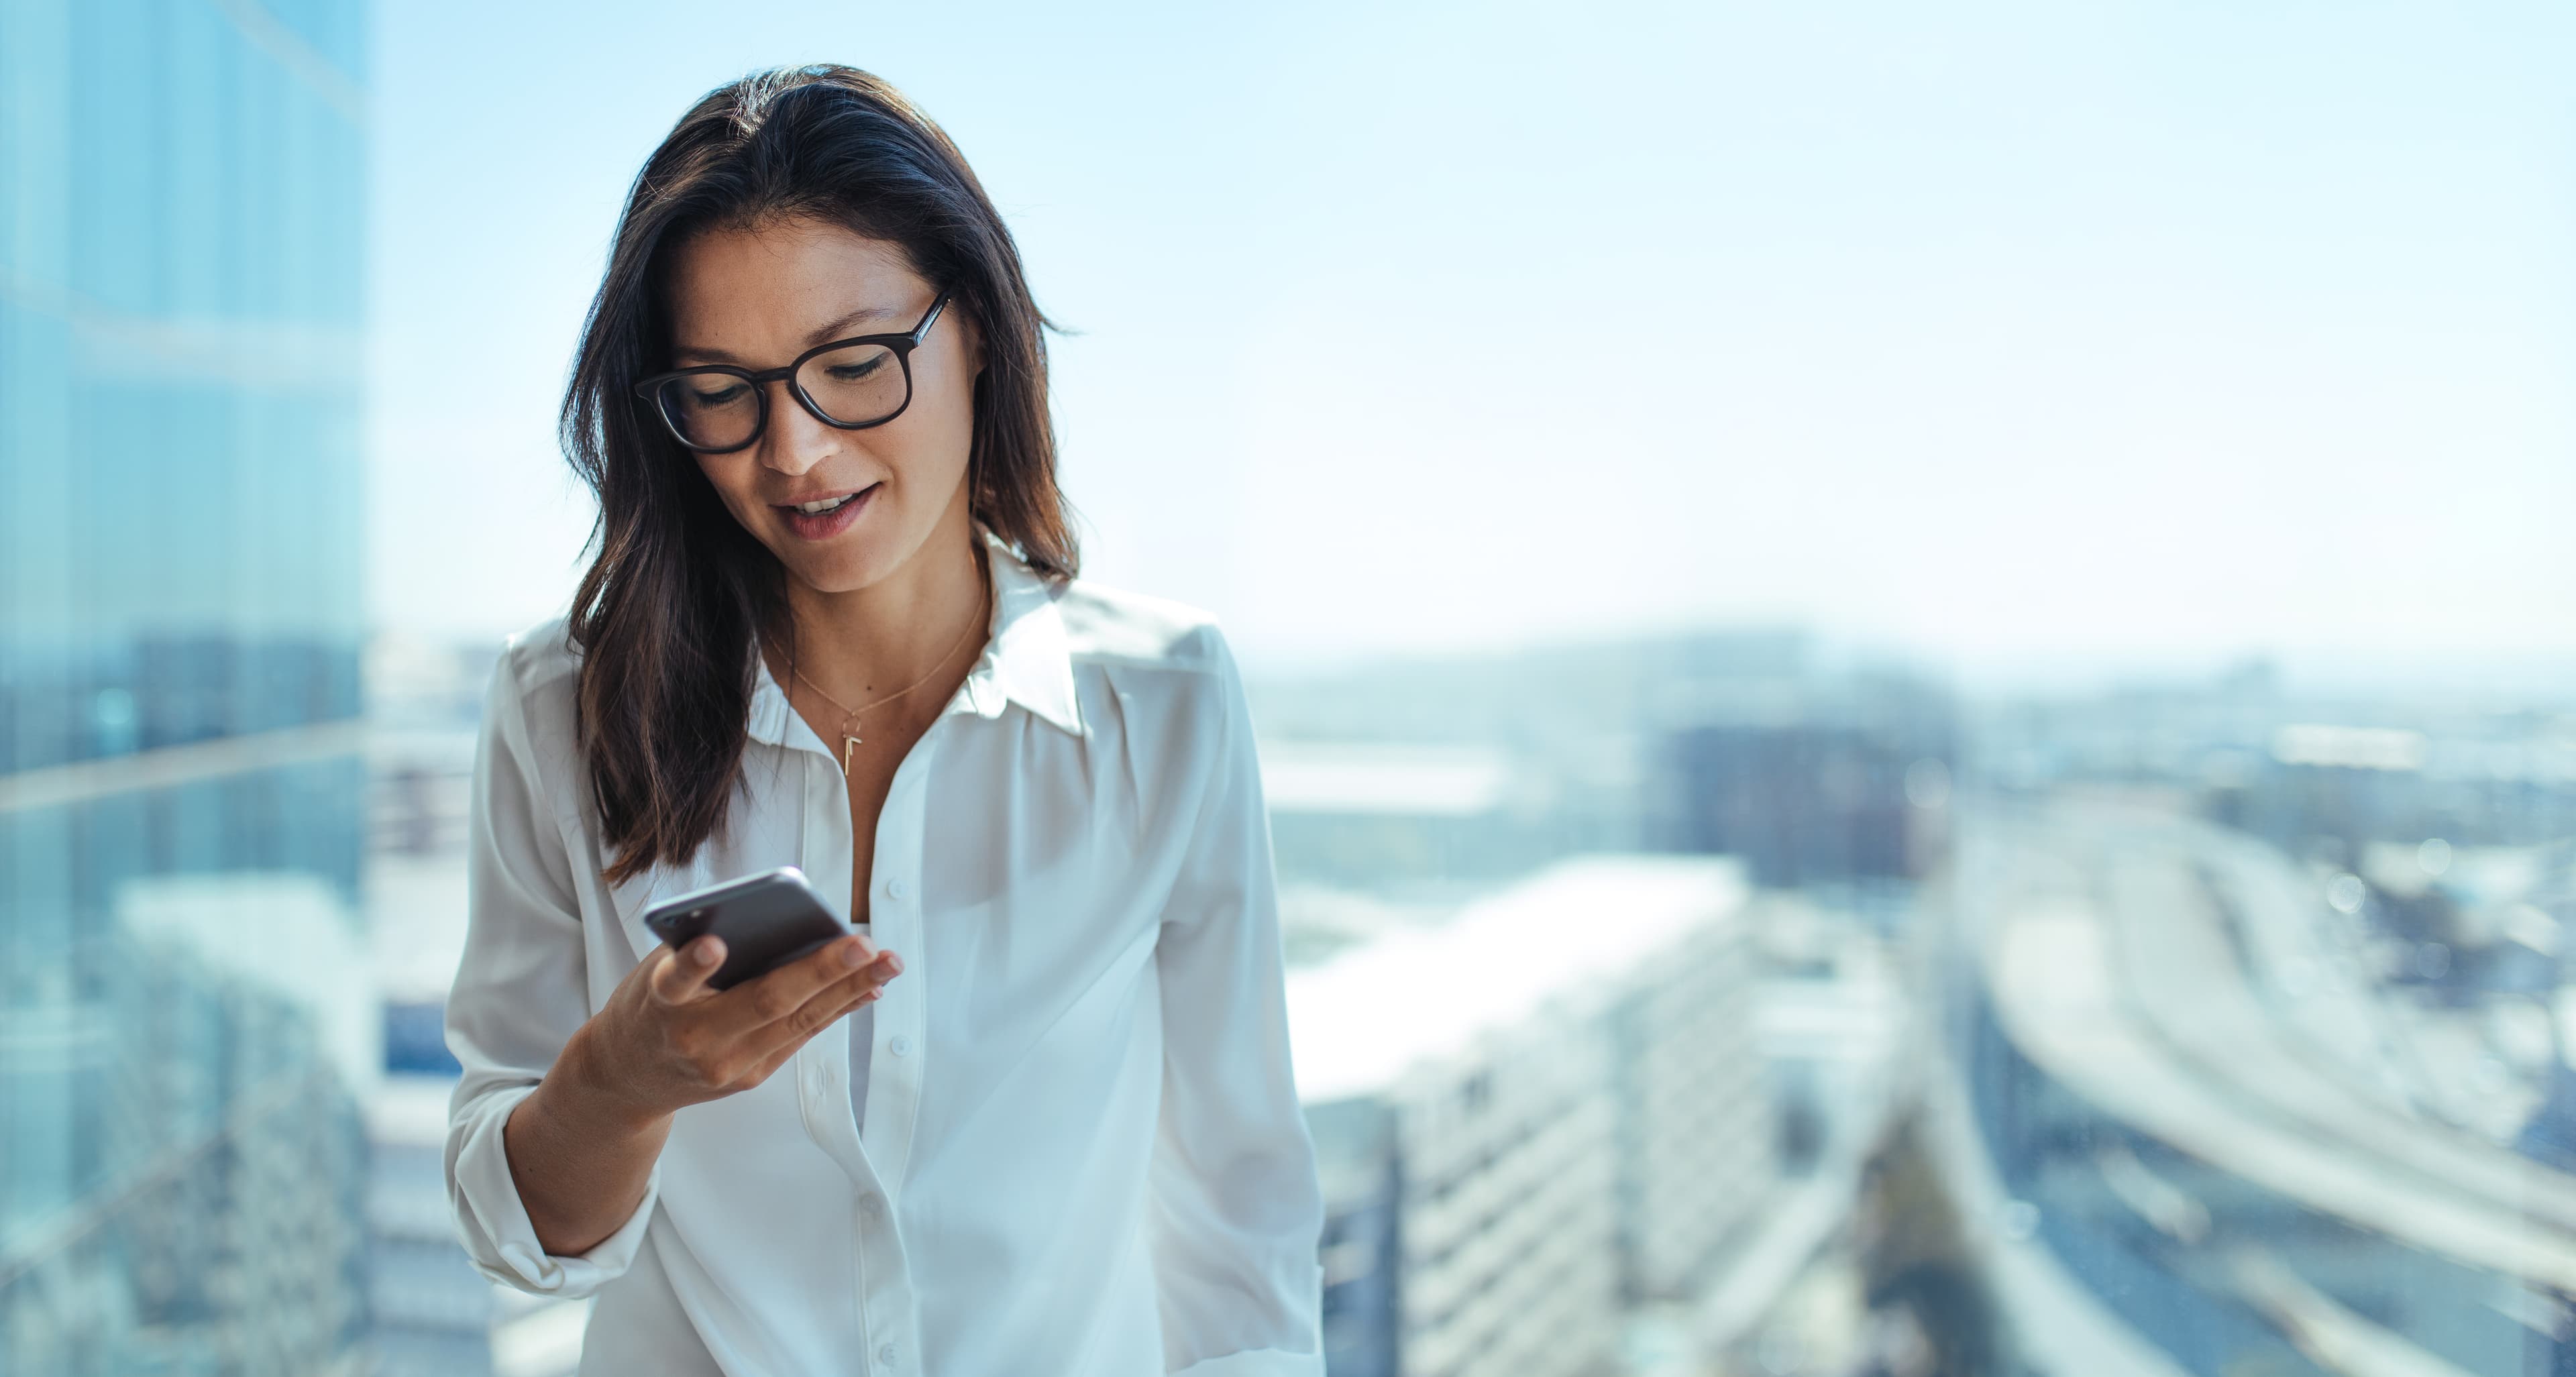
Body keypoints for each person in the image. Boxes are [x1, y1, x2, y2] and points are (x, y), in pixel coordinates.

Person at [440, 63, 1328, 1376]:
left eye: (853, 365)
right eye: (721, 391)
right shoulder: (562, 707)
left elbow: (1238, 1218)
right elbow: (526, 1235)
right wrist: (621, 1084)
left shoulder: (1166, 700)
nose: (792, 450)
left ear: (976, 329)